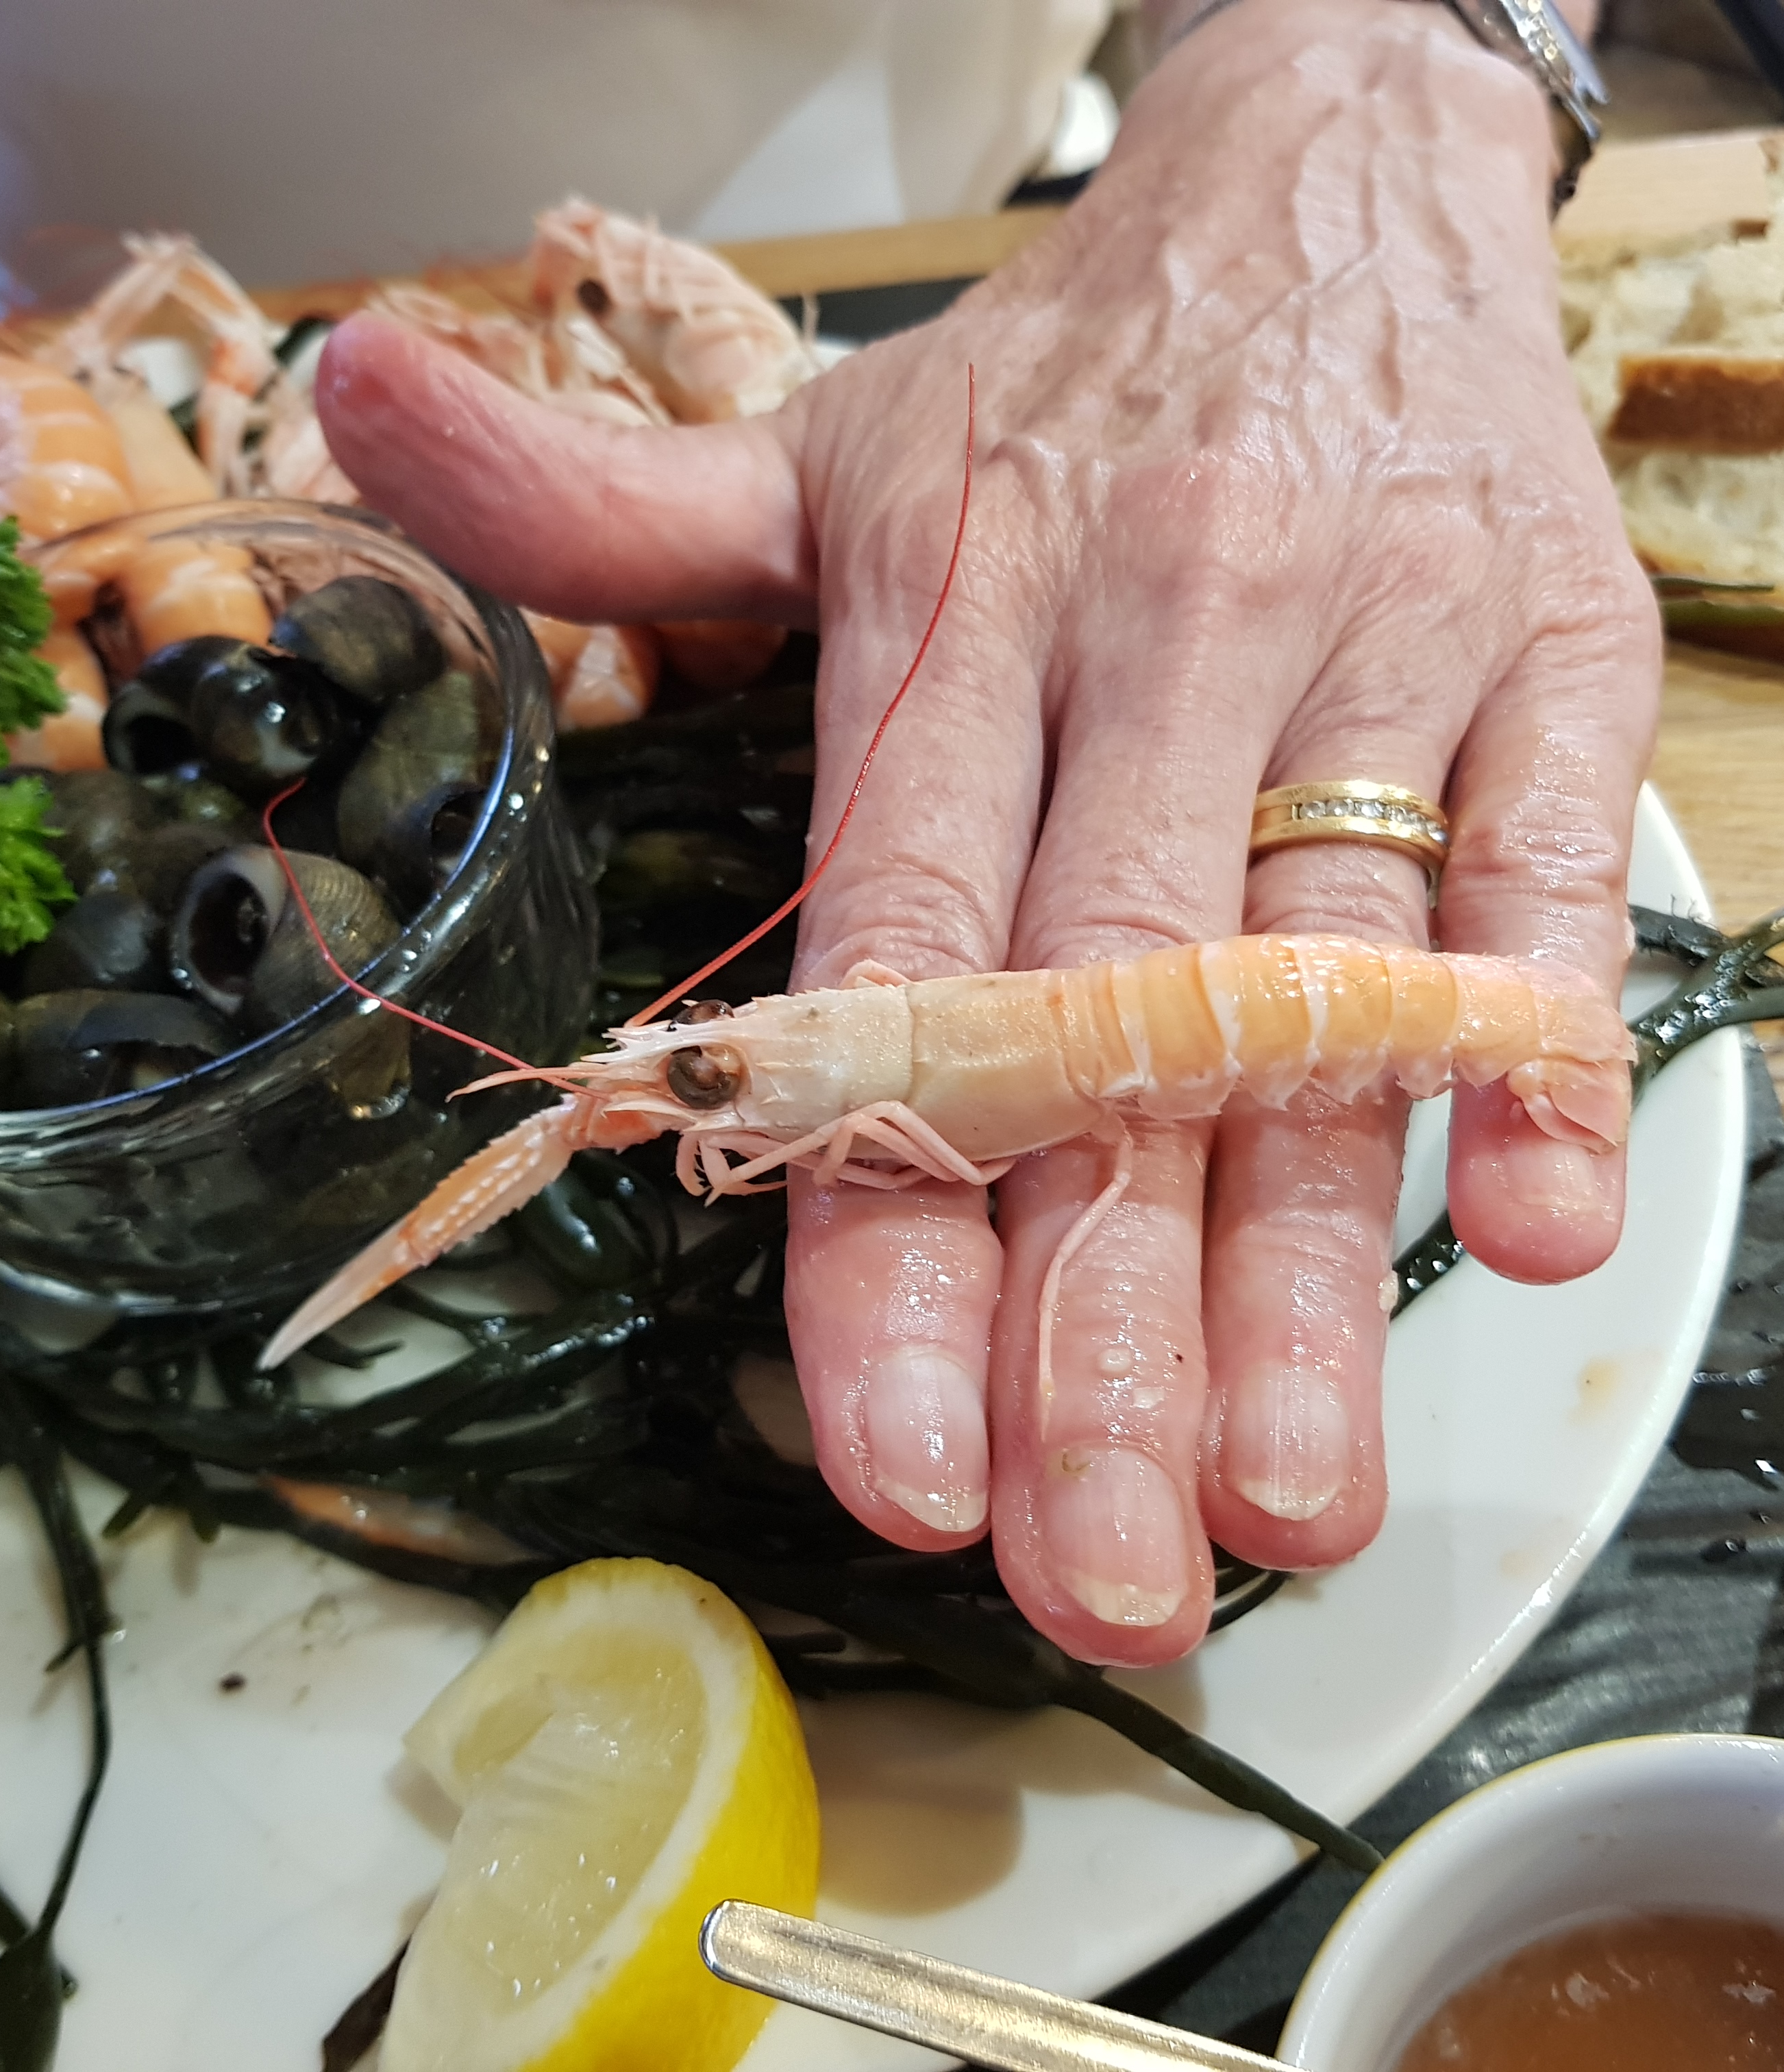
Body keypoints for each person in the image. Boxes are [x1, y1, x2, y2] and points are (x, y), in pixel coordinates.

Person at [315, 0, 1657, 1667]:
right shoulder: (801, 1065)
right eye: (713, 1066)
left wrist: (1373, 42)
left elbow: (878, 1125)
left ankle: (1542, 1033)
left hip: (981, 168)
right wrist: (707, 1078)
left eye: (709, 1066)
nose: (699, 1081)